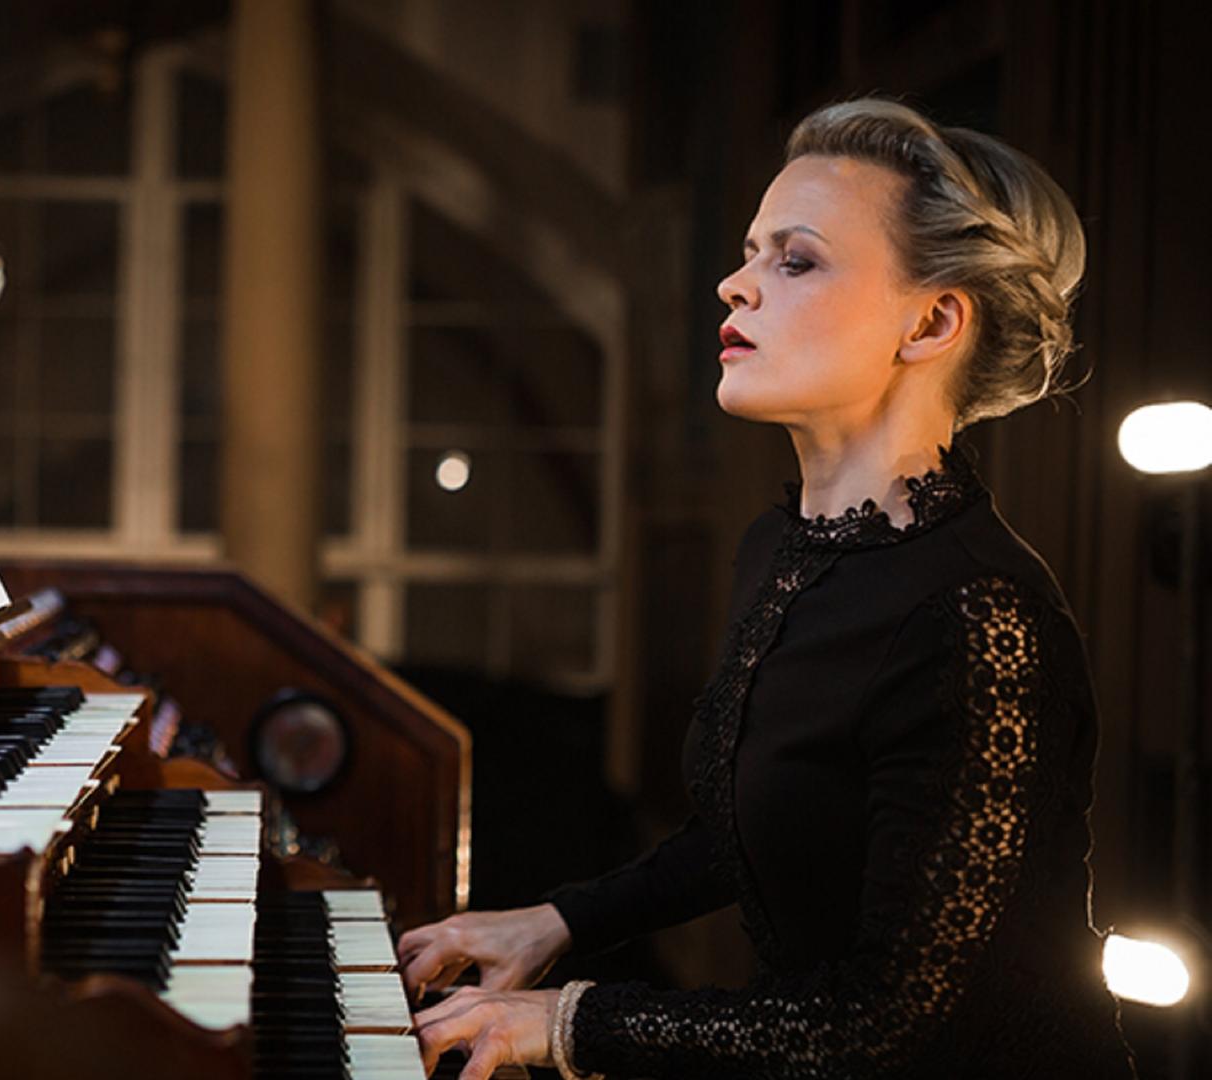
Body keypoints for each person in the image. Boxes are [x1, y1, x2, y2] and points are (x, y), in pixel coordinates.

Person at [399, 97, 1140, 1079]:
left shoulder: (979, 618)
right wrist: (553, 920)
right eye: (751, 252)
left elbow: (890, 1024)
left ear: (931, 321)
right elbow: (763, 827)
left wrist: (568, 1023)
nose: (734, 285)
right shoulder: (784, 547)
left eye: (794, 259)